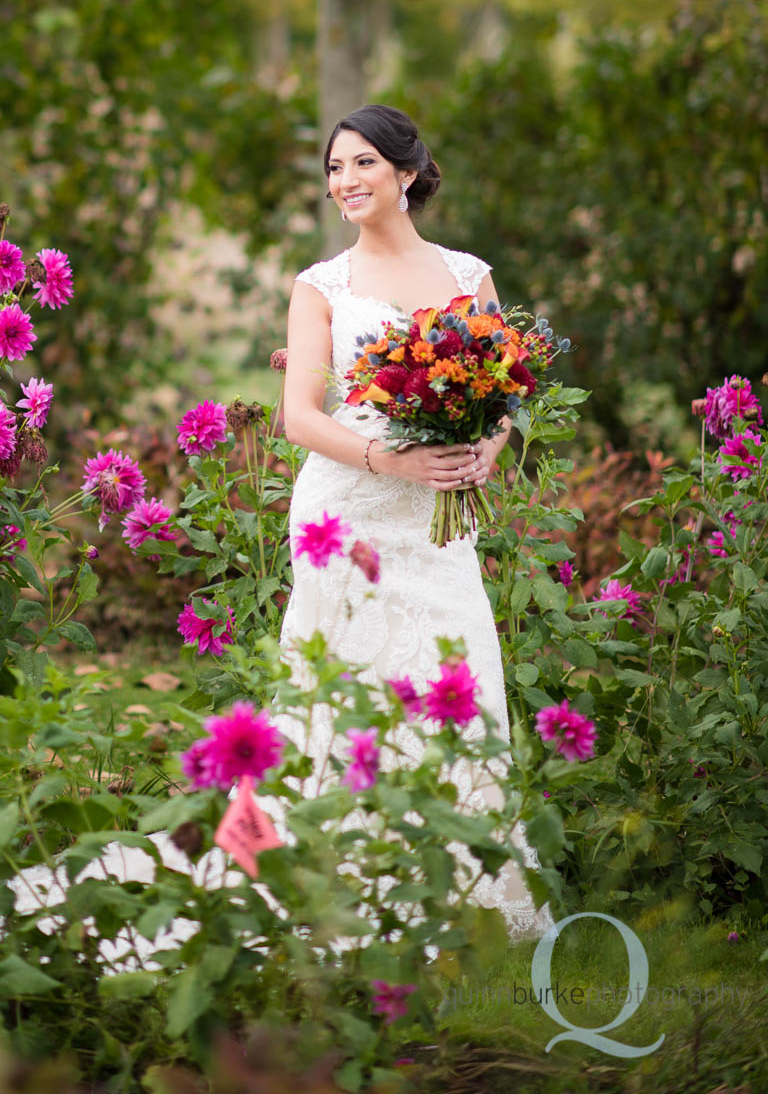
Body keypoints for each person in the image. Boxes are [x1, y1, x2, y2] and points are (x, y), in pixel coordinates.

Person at [279, 102, 548, 940]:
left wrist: (486, 452)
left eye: (361, 164)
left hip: (438, 523)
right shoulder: (321, 286)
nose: (344, 181)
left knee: (454, 684)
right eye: (333, 168)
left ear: (405, 173)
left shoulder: (469, 278)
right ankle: (338, 886)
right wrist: (393, 462)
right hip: (348, 512)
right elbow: (298, 416)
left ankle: (467, 889)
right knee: (348, 691)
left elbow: (506, 391)